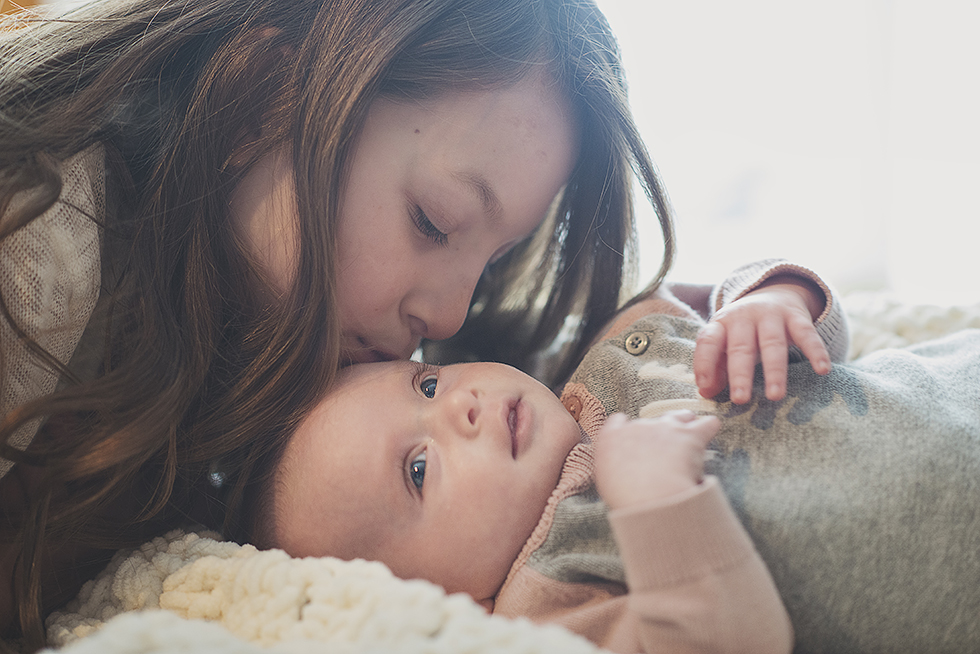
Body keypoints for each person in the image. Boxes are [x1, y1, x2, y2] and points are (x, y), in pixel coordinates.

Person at [0, 0, 675, 646]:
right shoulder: (37, 246)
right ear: (261, 98)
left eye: (492, 265)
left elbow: (634, 350)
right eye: (433, 223)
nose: (446, 313)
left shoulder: (316, 351)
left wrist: (767, 297)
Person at [251, 259, 980, 653]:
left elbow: (772, 318)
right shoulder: (552, 603)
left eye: (427, 382)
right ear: (445, 600)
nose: (458, 405)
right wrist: (660, 507)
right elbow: (732, 642)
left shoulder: (617, 352)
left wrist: (771, 300)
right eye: (417, 467)